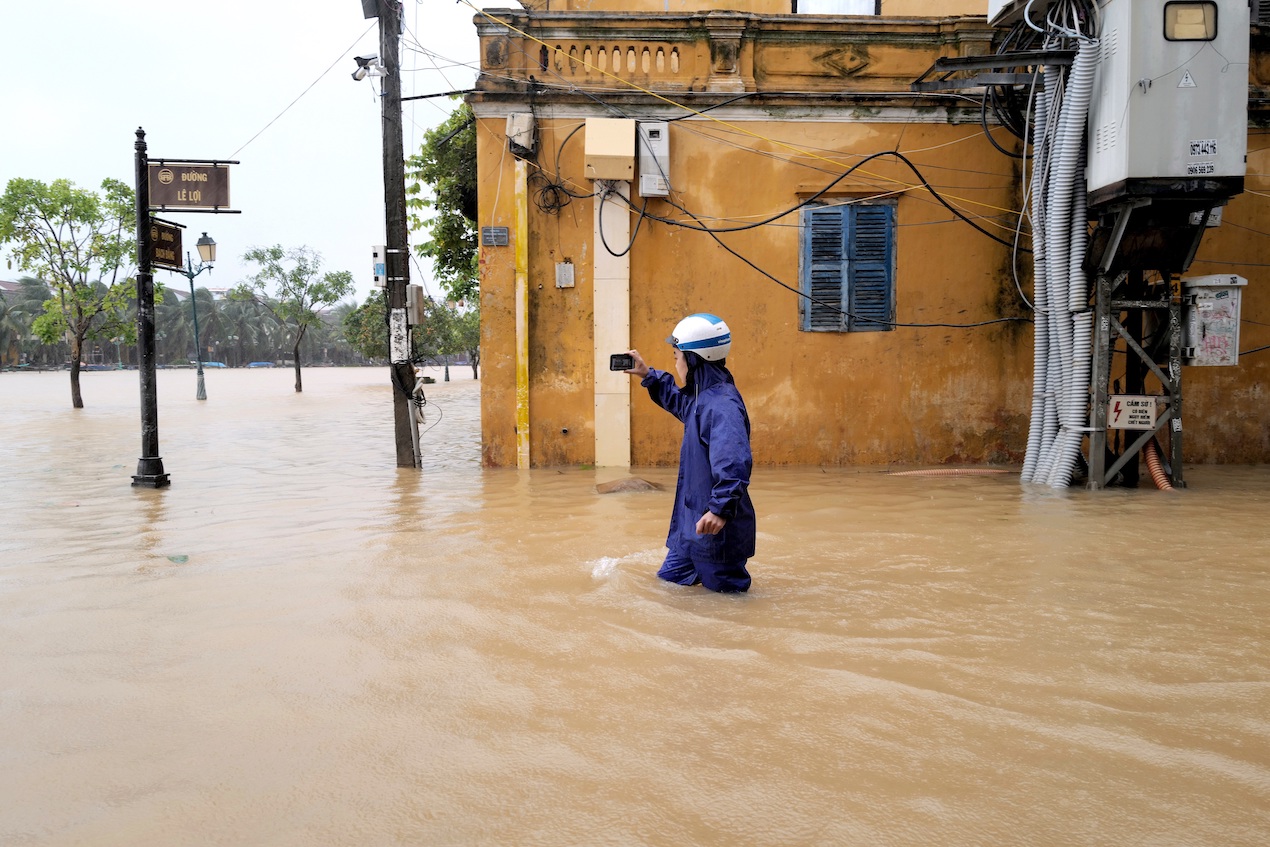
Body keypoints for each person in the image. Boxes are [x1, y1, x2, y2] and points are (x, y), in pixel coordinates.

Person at [625, 313, 756, 593]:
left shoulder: (722, 405)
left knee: (728, 606)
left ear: (693, 359)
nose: (675, 363)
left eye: (676, 356)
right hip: (691, 530)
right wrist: (649, 375)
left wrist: (720, 510)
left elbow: (734, 461)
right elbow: (679, 403)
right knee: (666, 589)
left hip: (715, 530)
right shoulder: (702, 397)